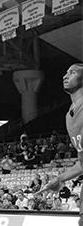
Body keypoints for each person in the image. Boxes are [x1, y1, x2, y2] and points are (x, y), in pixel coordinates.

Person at [42, 63, 83, 225]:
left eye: (72, 73)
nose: (65, 76)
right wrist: (60, 179)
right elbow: (82, 162)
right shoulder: (69, 116)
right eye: (66, 73)